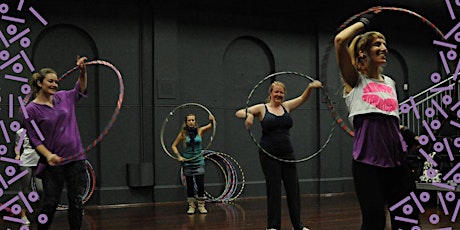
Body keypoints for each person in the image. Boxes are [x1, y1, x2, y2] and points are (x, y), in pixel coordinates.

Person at [334, 12, 418, 230]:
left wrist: (406, 134)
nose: (384, 48)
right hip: (368, 163)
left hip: (396, 161)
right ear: (363, 51)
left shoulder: (390, 82)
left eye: (384, 44)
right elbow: (340, 40)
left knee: (407, 220)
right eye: (377, 44)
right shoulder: (355, 81)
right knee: (374, 223)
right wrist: (365, 21)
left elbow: (389, 121)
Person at [235, 80, 322, 230]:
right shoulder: (262, 108)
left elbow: (302, 99)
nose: (279, 95)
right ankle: (273, 226)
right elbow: (239, 112)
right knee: (274, 189)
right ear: (270, 93)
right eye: (276, 92)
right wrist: (249, 115)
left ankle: (298, 225)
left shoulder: (286, 107)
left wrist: (309, 87)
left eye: (281, 92)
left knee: (293, 190)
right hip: (269, 154)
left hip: (287, 153)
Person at [23, 56, 89, 230]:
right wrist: (48, 155)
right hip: (53, 163)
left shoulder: (64, 97)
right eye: (51, 81)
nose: (54, 85)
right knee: (50, 203)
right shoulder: (31, 110)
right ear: (40, 83)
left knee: (76, 201)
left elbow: (80, 88)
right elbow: (34, 139)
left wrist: (82, 71)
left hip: (76, 158)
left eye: (56, 82)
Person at [171, 113, 214, 214]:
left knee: (200, 184)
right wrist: (179, 156)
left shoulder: (200, 131)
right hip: (188, 162)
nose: (191, 122)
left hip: (198, 161)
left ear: (195, 121)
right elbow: (173, 146)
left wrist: (212, 120)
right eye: (189, 120)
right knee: (190, 185)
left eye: (193, 120)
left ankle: (201, 206)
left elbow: (212, 126)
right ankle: (191, 206)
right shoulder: (183, 133)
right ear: (186, 122)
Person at [14, 127, 42, 226]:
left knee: (40, 189)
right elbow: (17, 146)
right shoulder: (21, 132)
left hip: (39, 162)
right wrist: (17, 155)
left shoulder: (41, 129)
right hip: (26, 161)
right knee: (25, 190)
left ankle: (38, 213)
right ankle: (23, 215)